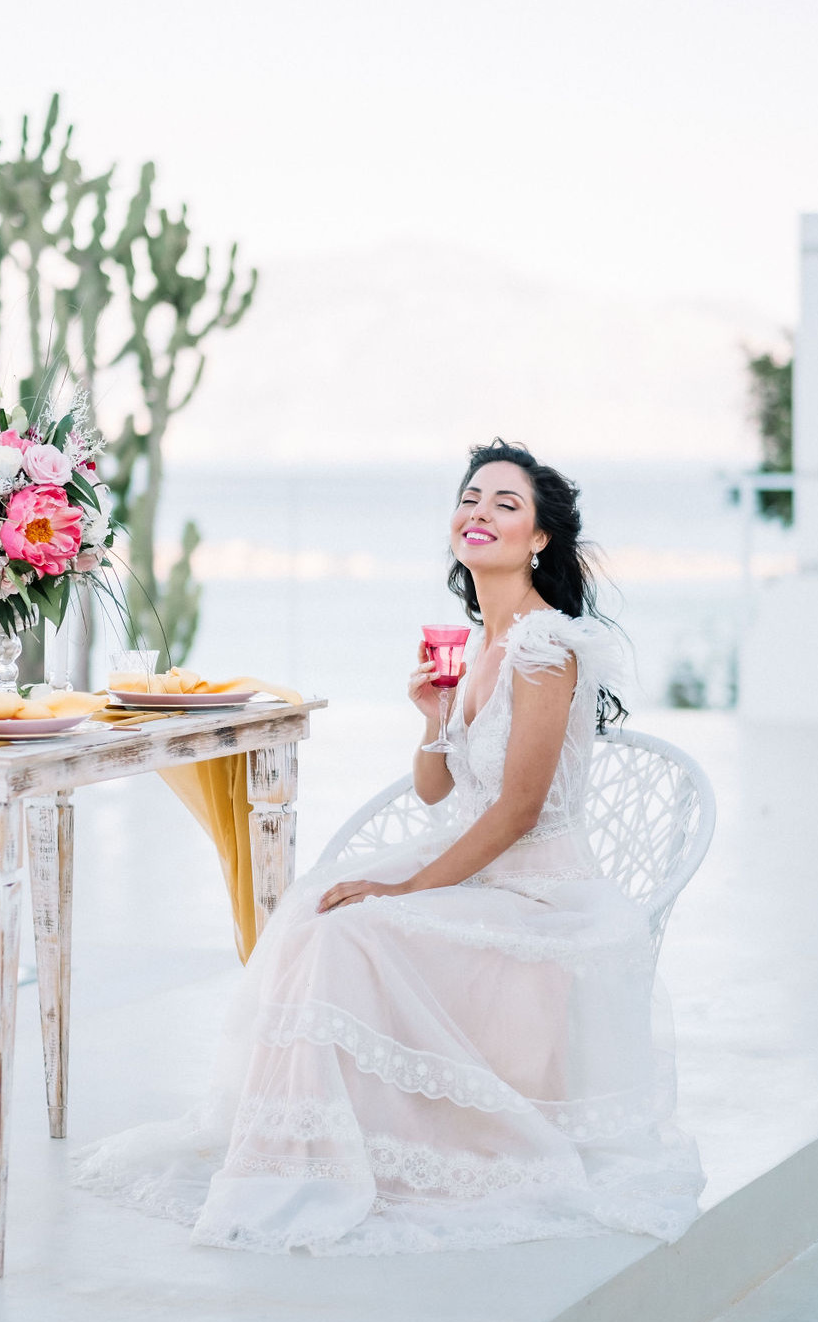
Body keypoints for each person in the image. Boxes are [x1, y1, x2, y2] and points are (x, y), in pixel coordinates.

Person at [75, 439, 705, 1254]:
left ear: (540, 540)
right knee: (312, 914)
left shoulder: (547, 647)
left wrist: (406, 893)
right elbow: (441, 791)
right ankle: (299, 1147)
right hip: (477, 869)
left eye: (505, 504)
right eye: (471, 497)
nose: (479, 512)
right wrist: (437, 719)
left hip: (537, 897)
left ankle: (346, 1152)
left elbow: (515, 812)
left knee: (355, 926)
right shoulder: (484, 642)